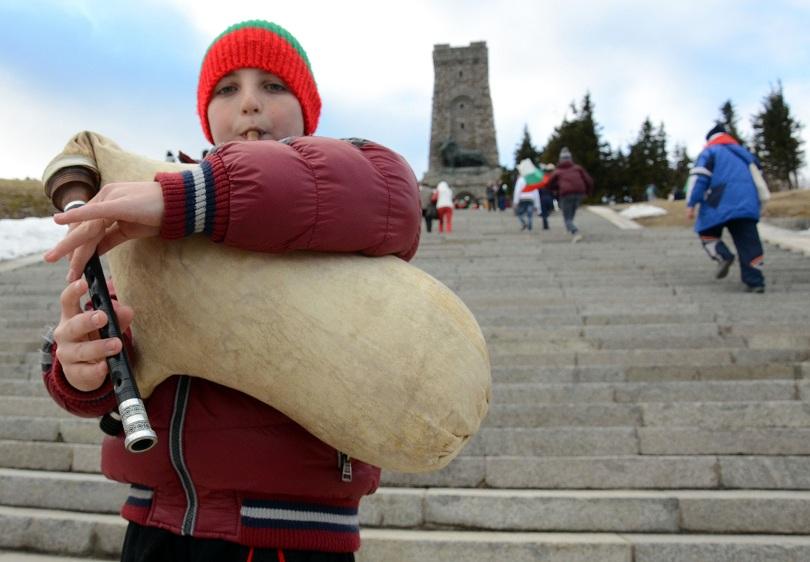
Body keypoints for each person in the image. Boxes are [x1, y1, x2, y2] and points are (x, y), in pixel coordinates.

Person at [41, 20, 421, 561]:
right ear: (205, 111)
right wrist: (81, 370)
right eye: (227, 89)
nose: (249, 104)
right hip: (155, 520)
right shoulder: (151, 221)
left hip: (291, 533)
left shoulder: (347, 180)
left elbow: (394, 199)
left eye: (273, 86)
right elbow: (111, 354)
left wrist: (191, 195)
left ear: (309, 109)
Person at [686, 123, 769, 292]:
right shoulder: (745, 155)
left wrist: (691, 203)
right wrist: (762, 202)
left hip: (718, 201)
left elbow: (699, 178)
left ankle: (723, 255)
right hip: (747, 203)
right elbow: (760, 181)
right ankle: (755, 281)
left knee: (707, 231)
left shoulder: (710, 152)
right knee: (749, 242)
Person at [547, 147, 593, 242]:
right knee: (571, 214)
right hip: (579, 193)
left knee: (567, 217)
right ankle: (570, 228)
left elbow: (549, 184)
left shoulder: (558, 171)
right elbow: (589, 181)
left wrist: (556, 189)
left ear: (560, 160)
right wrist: (588, 192)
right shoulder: (578, 168)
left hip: (566, 194)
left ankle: (575, 232)